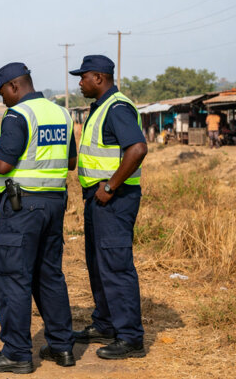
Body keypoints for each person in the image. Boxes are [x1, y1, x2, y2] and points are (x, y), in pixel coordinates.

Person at [0, 62, 77, 374]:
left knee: (13, 278)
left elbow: (3, 165)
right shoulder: (61, 113)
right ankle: (62, 347)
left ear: (15, 86)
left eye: (2, 91)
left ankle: (17, 353)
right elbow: (70, 161)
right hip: (54, 204)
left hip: (21, 208)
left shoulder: (18, 115)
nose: (1, 99)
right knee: (49, 275)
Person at [69, 55, 148, 359]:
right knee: (98, 264)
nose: (80, 83)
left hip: (114, 199)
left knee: (116, 266)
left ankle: (130, 337)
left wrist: (111, 185)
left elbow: (138, 148)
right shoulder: (100, 108)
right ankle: (105, 323)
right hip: (99, 199)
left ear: (99, 78)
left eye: (83, 77)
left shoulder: (116, 108)